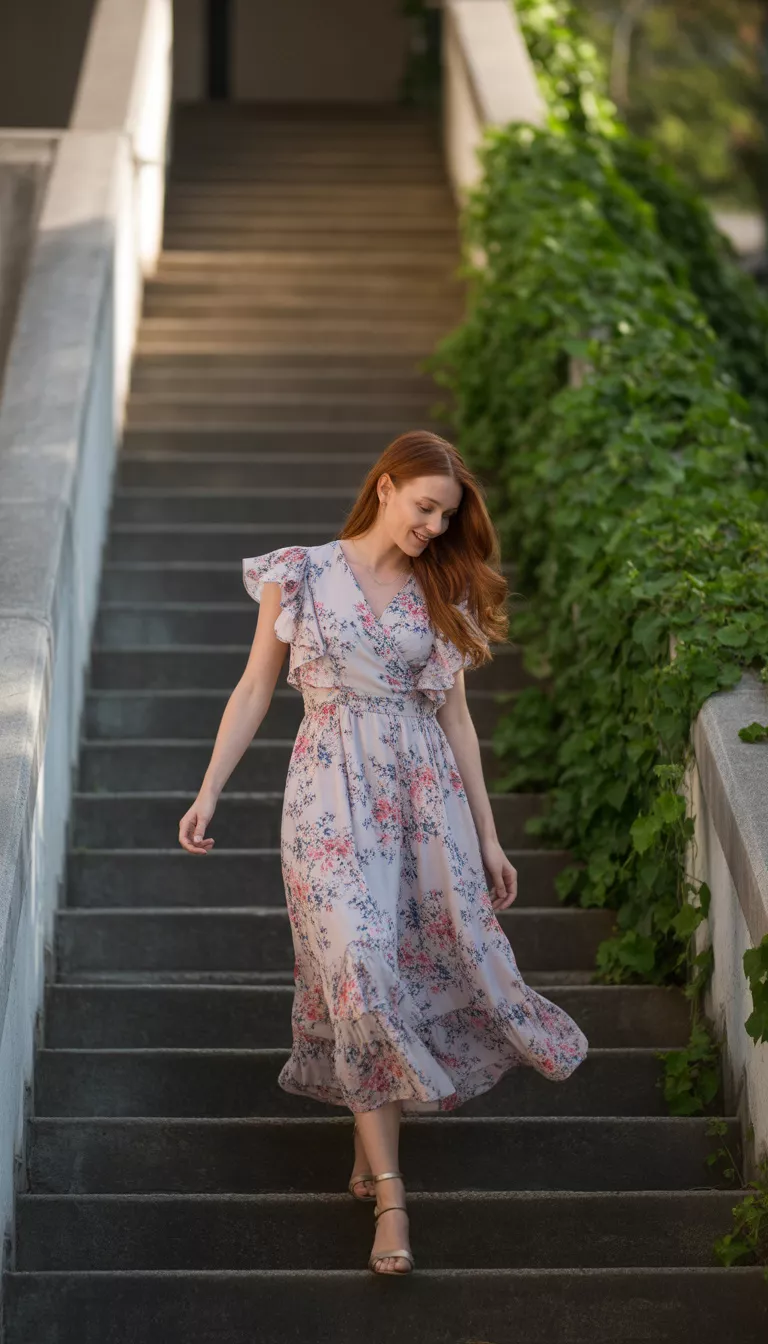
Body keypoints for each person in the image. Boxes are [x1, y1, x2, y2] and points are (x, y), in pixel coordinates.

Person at [178, 429, 589, 1277]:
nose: (434, 528)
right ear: (387, 486)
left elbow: (457, 719)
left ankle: (371, 1147)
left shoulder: (443, 589)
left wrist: (488, 835)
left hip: (420, 803)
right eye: (426, 507)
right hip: (326, 800)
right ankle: (393, 1199)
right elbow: (255, 687)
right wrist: (210, 788)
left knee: (395, 970)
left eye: (446, 518)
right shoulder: (299, 573)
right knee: (358, 964)